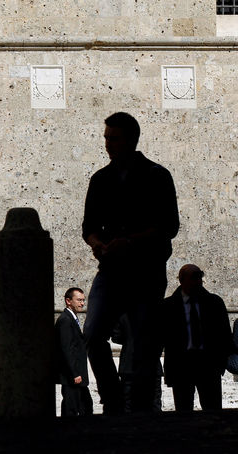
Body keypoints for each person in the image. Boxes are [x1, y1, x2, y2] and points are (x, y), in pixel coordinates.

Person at [82, 112, 179, 414]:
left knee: (144, 341)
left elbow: (169, 226)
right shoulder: (100, 179)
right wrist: (97, 244)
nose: (108, 144)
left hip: (145, 272)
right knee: (92, 334)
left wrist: (131, 241)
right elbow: (89, 227)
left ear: (131, 140)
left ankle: (139, 406)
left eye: (114, 138)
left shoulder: (157, 176)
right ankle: (112, 399)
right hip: (110, 270)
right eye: (106, 138)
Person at [161, 264, 232, 412]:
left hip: (208, 365)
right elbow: (162, 338)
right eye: (194, 277)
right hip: (181, 366)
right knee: (183, 411)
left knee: (213, 411)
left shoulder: (214, 303)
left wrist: (220, 363)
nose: (198, 280)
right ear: (182, 280)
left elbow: (224, 334)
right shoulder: (168, 306)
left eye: (200, 276)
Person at [55, 287, 93, 416]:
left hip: (77, 375)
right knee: (71, 408)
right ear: (68, 301)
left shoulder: (71, 319)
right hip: (72, 376)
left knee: (85, 406)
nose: (82, 303)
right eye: (79, 300)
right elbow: (67, 350)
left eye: (83, 300)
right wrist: (75, 373)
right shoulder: (65, 320)